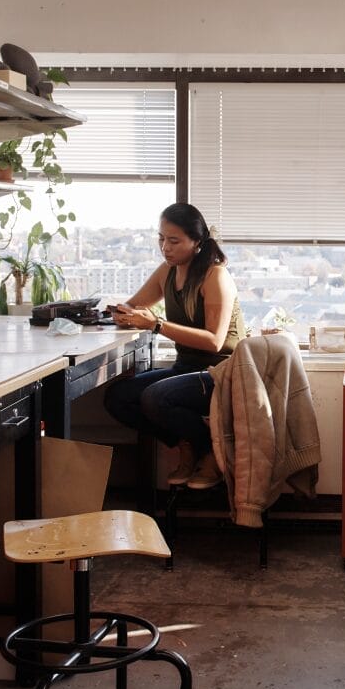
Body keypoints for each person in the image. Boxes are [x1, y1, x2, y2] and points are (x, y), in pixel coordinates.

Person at [105, 202, 246, 490]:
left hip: (220, 372)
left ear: (196, 242)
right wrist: (121, 313)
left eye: (173, 240)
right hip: (187, 368)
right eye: (161, 239)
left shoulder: (215, 275)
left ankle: (208, 448)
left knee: (156, 397)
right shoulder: (167, 271)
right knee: (117, 398)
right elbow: (134, 305)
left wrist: (156, 324)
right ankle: (187, 443)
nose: (165, 248)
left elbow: (214, 341)